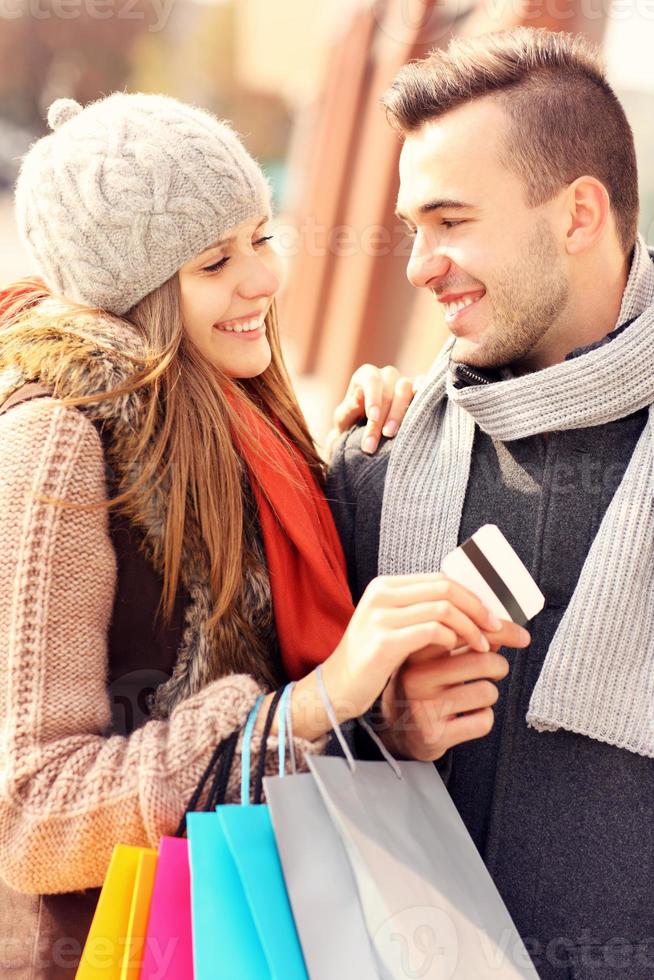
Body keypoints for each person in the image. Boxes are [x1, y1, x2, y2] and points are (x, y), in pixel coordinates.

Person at [0, 92, 527, 978]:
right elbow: (31, 816)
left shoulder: (243, 415)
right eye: (214, 261)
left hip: (267, 926)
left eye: (262, 236)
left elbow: (275, 687)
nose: (266, 279)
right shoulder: (58, 438)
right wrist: (313, 705)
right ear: (141, 293)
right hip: (138, 950)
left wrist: (360, 463)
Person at [328, 26, 654, 980]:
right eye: (410, 229)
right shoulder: (374, 458)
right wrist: (383, 725)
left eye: (452, 220)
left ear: (581, 214)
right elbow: (273, 725)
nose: (418, 264)